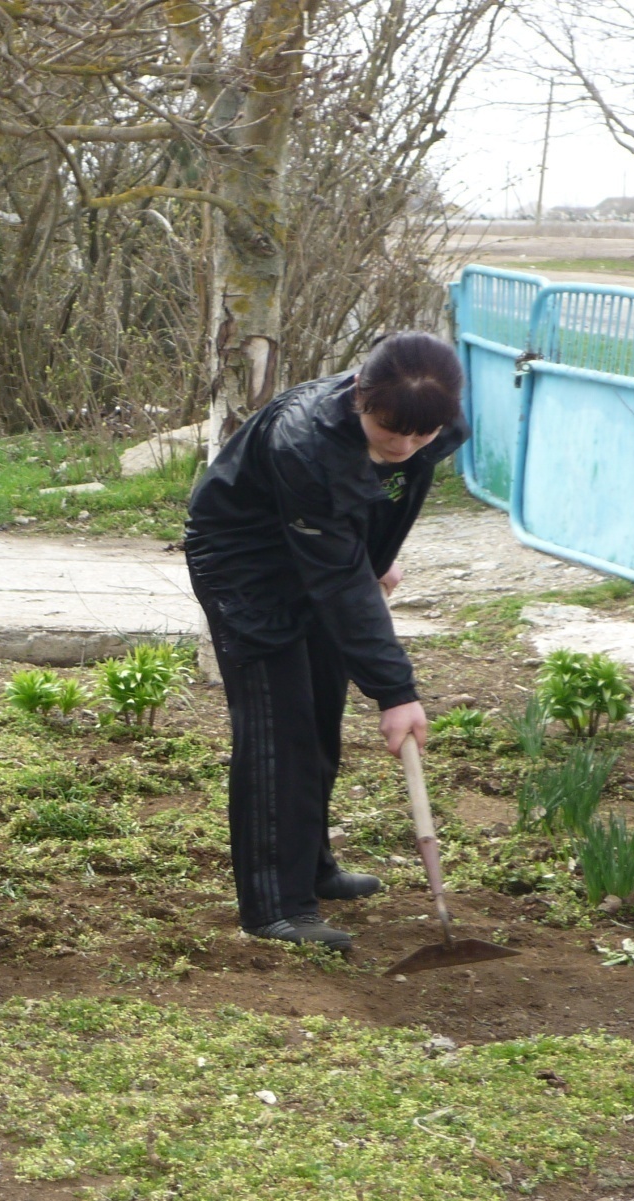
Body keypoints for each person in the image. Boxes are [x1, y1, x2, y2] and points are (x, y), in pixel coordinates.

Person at [184, 332, 468, 952]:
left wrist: (376, 555)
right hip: (247, 565)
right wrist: (396, 692)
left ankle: (310, 867)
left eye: (422, 438)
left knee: (318, 714)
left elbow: (395, 500)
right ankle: (274, 904)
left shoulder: (430, 421)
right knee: (277, 727)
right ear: (359, 398)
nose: (406, 447)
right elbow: (337, 581)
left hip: (325, 551)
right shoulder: (305, 443)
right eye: (390, 433)